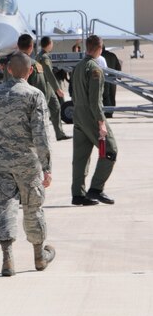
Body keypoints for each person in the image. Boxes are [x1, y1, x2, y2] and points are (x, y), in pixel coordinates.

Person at [0, 51, 55, 277]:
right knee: (33, 208)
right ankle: (39, 255)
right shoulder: (35, 95)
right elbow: (41, 134)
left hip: (1, 163)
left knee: (3, 209)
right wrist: (47, 166)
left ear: (8, 70)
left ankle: (7, 258)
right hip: (28, 164)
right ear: (30, 71)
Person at [71, 34, 117, 206]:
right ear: (99, 48)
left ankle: (78, 194)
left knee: (81, 157)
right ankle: (96, 189)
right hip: (91, 116)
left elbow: (74, 93)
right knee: (110, 151)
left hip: (78, 116)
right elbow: (95, 101)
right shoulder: (95, 69)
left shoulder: (78, 67)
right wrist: (101, 122)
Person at [36, 36, 71, 141]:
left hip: (48, 88)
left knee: (56, 108)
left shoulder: (41, 55)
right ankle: (39, 135)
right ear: (49, 44)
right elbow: (49, 74)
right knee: (41, 112)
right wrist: (57, 89)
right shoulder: (44, 57)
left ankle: (60, 134)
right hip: (45, 87)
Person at [101, 45, 122, 117]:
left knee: (105, 95)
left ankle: (107, 112)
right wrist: (119, 78)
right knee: (112, 95)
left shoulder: (100, 57)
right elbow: (118, 67)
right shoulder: (113, 55)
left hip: (104, 79)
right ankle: (111, 111)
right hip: (113, 79)